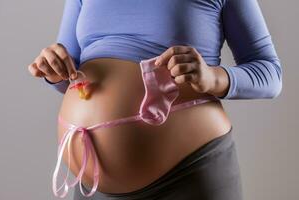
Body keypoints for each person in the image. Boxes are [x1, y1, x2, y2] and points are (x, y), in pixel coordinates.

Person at [28, 0, 282, 199]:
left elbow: (270, 73)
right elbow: (67, 74)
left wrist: (212, 78)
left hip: (188, 176)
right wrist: (53, 69)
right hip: (92, 185)